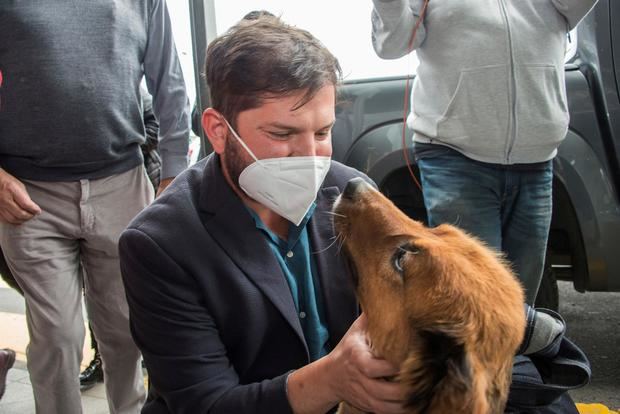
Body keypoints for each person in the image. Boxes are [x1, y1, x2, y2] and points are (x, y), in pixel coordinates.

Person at [119, 15, 407, 414]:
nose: (310, 158)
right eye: (282, 135)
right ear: (218, 131)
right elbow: (207, 404)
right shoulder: (160, 244)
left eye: (322, 133)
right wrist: (332, 379)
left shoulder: (353, 195)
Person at [0, 0, 190, 412]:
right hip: (30, 195)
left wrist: (174, 172)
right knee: (58, 334)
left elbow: (169, 83)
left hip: (122, 184)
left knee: (126, 330)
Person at [370, 0, 598, 305]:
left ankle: (513, 354)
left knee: (521, 298)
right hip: (455, 156)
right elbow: (393, 43)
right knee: (474, 296)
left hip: (536, 159)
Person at [79, 85, 163, 391]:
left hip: (128, 188)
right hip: (66, 197)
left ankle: (135, 359)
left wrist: (117, 146)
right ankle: (100, 356)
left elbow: (155, 128)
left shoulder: (131, 92)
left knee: (121, 294)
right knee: (92, 295)